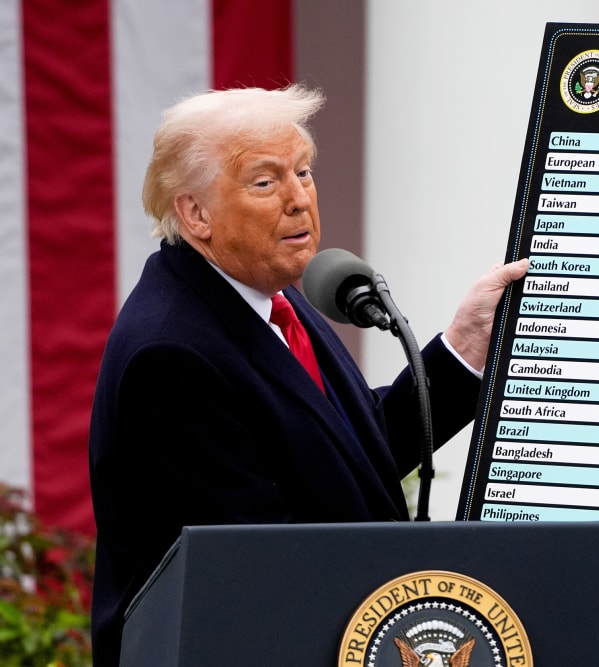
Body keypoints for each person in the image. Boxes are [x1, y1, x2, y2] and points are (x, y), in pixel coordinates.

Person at [88, 84, 528, 666]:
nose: (299, 199)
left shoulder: (269, 298)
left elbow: (348, 454)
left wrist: (466, 348)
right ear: (195, 214)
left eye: (304, 172)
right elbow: (260, 569)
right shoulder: (171, 354)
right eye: (265, 182)